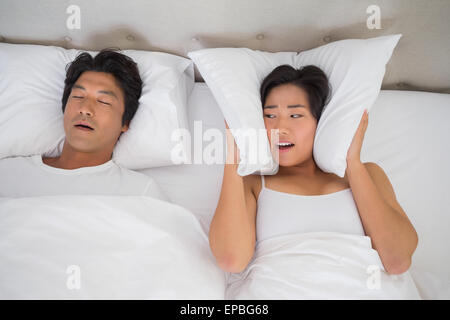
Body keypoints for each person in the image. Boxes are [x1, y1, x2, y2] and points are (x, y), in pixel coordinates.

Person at [209, 64, 418, 276]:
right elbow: (231, 260)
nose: (280, 127)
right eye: (270, 116)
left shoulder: (368, 174)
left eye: (295, 116)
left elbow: (397, 260)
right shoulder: (251, 182)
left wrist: (352, 162)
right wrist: (233, 158)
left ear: (322, 122)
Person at [0, 49, 168, 201]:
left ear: (125, 123)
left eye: (103, 101)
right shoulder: (8, 174)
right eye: (79, 96)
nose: (85, 109)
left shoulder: (139, 192)